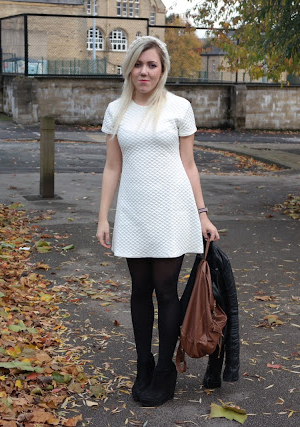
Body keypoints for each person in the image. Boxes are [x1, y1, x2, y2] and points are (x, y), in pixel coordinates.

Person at [96, 35, 219, 407]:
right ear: (129, 68)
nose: (144, 71)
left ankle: (165, 368)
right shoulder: (116, 110)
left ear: (162, 69)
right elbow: (113, 166)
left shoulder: (179, 108)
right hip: (134, 211)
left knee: (166, 291)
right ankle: (143, 363)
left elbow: (189, 165)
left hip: (173, 211)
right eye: (138, 64)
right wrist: (103, 217)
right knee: (139, 290)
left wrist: (202, 213)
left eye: (152, 65)